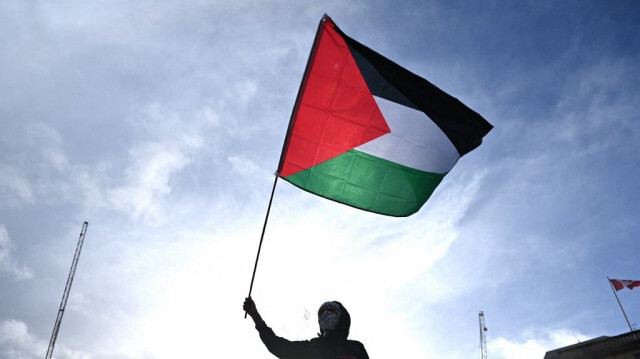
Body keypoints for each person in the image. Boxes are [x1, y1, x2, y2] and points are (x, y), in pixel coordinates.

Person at [243, 297, 369, 359]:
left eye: (331, 310)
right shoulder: (313, 347)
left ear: (342, 318)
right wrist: (255, 315)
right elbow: (278, 346)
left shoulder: (356, 348)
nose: (326, 314)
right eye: (322, 312)